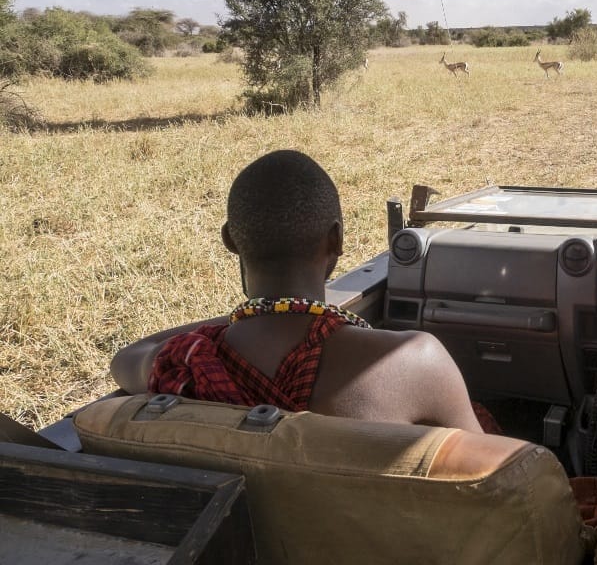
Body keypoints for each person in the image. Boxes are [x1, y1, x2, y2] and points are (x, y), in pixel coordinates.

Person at [110, 150, 483, 433]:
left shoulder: (185, 359)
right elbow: (501, 486)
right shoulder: (418, 362)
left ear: (230, 240)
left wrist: (253, 317)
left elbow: (127, 357)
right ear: (336, 240)